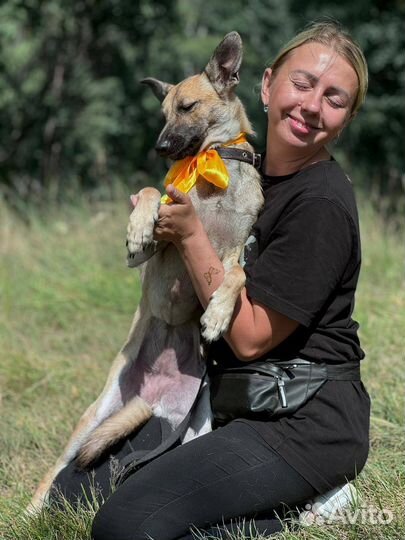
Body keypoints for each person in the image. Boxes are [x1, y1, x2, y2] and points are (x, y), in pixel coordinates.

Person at [51, 21, 371, 539]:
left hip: (301, 421)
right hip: (232, 401)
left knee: (126, 526)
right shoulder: (245, 170)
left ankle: (312, 507)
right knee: (71, 494)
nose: (312, 106)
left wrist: (190, 233)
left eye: (334, 98)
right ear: (266, 86)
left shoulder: (322, 204)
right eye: (303, 84)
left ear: (347, 118)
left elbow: (247, 339)